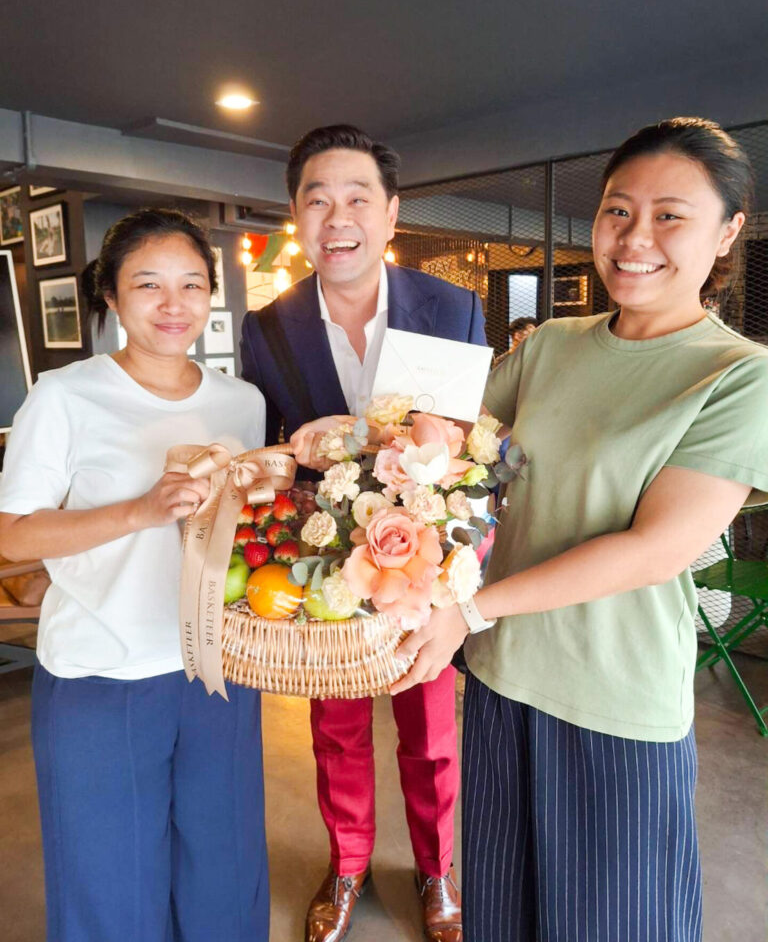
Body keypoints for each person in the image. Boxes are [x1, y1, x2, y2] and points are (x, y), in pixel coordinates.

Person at [392, 117, 768, 942]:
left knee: (612, 921)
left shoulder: (739, 375)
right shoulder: (553, 344)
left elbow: (655, 551)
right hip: (499, 676)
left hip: (613, 696)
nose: (635, 239)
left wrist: (474, 608)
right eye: (617, 211)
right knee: (502, 913)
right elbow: (459, 453)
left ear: (729, 231)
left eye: (671, 214)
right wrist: (377, 453)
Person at [241, 124, 486, 942]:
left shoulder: (451, 308)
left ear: (390, 214)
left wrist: (462, 557)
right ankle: (347, 866)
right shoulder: (267, 327)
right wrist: (290, 449)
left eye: (356, 198)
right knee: (336, 731)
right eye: (317, 199)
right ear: (296, 216)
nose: (335, 216)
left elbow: (485, 448)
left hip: (424, 557)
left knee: (431, 731)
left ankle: (436, 871)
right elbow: (268, 456)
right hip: (323, 564)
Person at [0, 209, 270, 942]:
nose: (173, 303)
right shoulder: (64, 396)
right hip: (101, 675)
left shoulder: (241, 403)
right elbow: (13, 535)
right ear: (112, 298)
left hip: (217, 670)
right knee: (111, 891)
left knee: (225, 872)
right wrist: (140, 510)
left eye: (191, 284)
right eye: (148, 284)